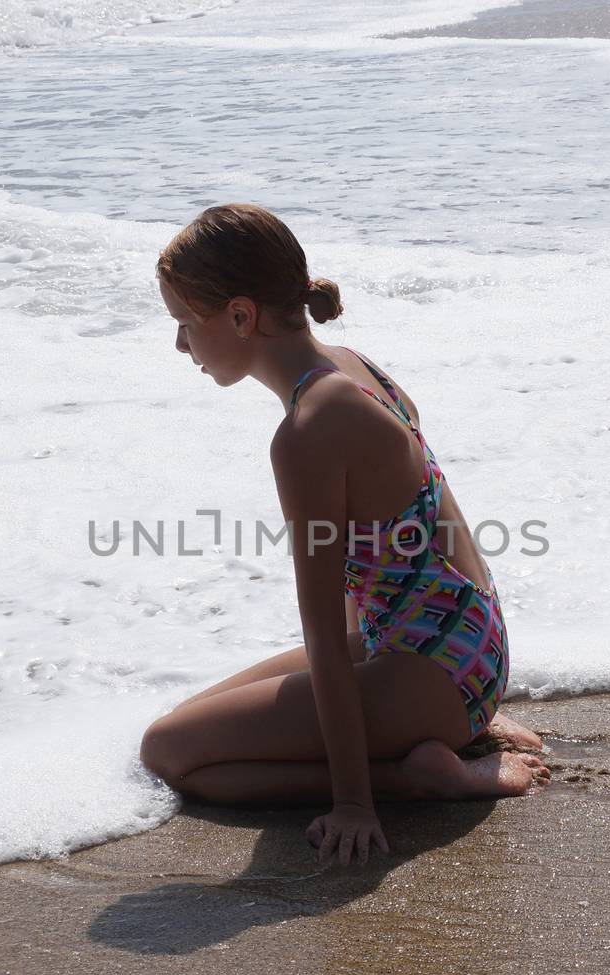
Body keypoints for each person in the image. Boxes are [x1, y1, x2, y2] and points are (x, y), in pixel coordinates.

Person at [139, 203, 549, 866]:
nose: (181, 345)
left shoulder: (307, 432)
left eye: (186, 323)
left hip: (435, 665)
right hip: (468, 644)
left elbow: (324, 633)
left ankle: (415, 774)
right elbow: (438, 541)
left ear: (241, 315)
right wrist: (461, 688)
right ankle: (447, 724)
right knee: (186, 724)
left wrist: (355, 802)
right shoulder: (351, 366)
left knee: (171, 753)